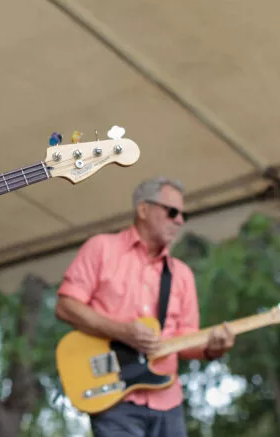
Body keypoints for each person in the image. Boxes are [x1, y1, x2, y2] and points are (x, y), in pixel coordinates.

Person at [55, 177, 234, 437]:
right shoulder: (101, 248)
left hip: (168, 402)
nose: (180, 221)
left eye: (184, 214)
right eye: (172, 212)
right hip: (113, 399)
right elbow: (66, 306)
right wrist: (122, 331)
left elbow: (185, 338)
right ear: (143, 209)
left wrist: (212, 349)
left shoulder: (181, 274)